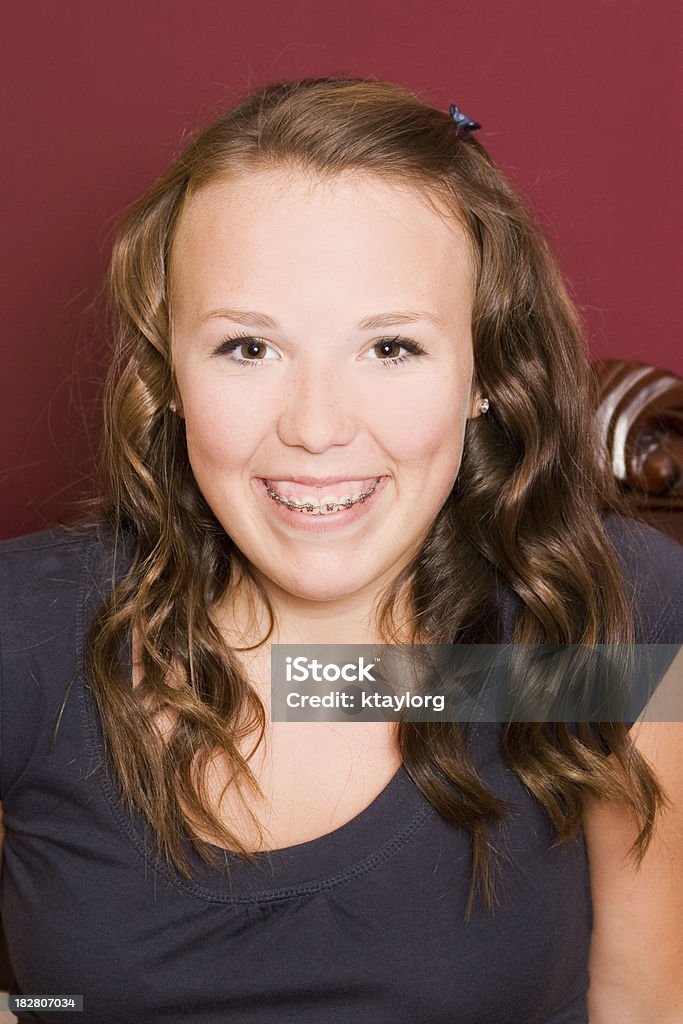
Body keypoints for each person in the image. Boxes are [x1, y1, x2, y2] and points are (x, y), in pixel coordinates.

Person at [0, 76, 682, 1024]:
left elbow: (645, 1007)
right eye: (247, 347)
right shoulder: (25, 633)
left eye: (391, 348)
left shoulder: (594, 619)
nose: (316, 430)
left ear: (482, 374)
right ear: (169, 376)